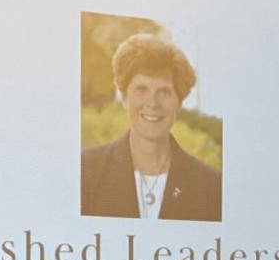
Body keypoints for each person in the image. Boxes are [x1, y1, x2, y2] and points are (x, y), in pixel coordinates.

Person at [81, 33, 222, 221]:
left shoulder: (211, 186)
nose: (152, 103)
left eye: (164, 92)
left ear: (178, 103)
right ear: (124, 97)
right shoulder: (86, 171)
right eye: (141, 89)